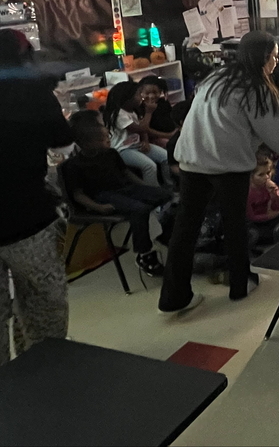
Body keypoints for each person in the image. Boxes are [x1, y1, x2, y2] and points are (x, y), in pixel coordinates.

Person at [159, 31, 279, 314]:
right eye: (274, 56)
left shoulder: (216, 77)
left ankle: (173, 297)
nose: (276, 62)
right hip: (227, 164)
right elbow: (277, 136)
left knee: (185, 227)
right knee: (235, 225)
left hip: (191, 159)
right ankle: (240, 285)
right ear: (263, 57)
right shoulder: (257, 89)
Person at [0, 29, 74, 365]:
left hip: (22, 212)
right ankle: (40, 371)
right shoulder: (32, 91)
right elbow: (63, 142)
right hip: (25, 217)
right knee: (42, 302)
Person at [63, 112, 172, 277]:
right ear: (86, 143)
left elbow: (127, 174)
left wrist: (146, 188)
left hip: (125, 190)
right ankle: (144, 254)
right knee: (140, 210)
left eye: (107, 137)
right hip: (102, 196)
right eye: (102, 139)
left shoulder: (111, 154)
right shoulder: (74, 165)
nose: (108, 140)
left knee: (166, 196)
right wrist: (98, 207)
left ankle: (164, 234)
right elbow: (78, 195)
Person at [103, 81, 170, 188]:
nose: (141, 97)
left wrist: (145, 141)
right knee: (149, 166)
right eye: (138, 94)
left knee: (166, 157)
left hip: (137, 145)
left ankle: (170, 185)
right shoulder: (119, 115)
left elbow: (142, 130)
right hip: (123, 149)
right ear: (127, 98)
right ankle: (154, 192)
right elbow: (141, 128)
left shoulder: (132, 111)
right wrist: (149, 112)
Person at [137, 75, 178, 146]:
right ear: (141, 93)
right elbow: (144, 129)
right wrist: (149, 112)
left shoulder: (164, 103)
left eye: (155, 93)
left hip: (171, 134)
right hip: (157, 138)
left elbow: (172, 119)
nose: (151, 96)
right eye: (147, 93)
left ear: (160, 92)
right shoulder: (139, 107)